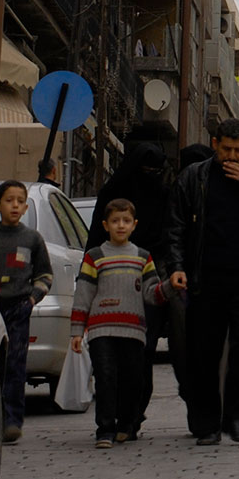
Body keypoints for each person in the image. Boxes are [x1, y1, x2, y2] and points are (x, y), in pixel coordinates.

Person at [161, 118, 239, 445]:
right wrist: (176, 266)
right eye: (225, 149)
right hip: (204, 279)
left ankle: (237, 417)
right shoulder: (193, 177)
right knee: (203, 352)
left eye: (238, 149)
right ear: (215, 143)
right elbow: (175, 227)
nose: (231, 156)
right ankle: (206, 424)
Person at [69, 199, 169, 447]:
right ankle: (105, 428)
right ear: (106, 225)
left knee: (132, 378)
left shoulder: (143, 258)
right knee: (105, 377)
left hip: (133, 330)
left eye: (125, 221)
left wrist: (169, 288)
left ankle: (126, 424)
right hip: (101, 329)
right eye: (115, 221)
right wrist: (77, 330)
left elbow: (151, 293)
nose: (120, 226)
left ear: (134, 225)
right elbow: (84, 294)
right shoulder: (95, 257)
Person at [92, 142, 180, 422]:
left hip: (148, 280)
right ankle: (118, 414)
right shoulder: (125, 196)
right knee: (120, 354)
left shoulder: (156, 196)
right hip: (114, 283)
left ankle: (130, 414)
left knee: (139, 351)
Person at [0, 181, 52, 442]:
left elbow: (45, 275)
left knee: (15, 366)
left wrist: (31, 300)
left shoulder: (32, 239)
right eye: (8, 200)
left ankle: (12, 421)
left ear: (26, 207)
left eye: (19, 201)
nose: (14, 205)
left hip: (19, 309)